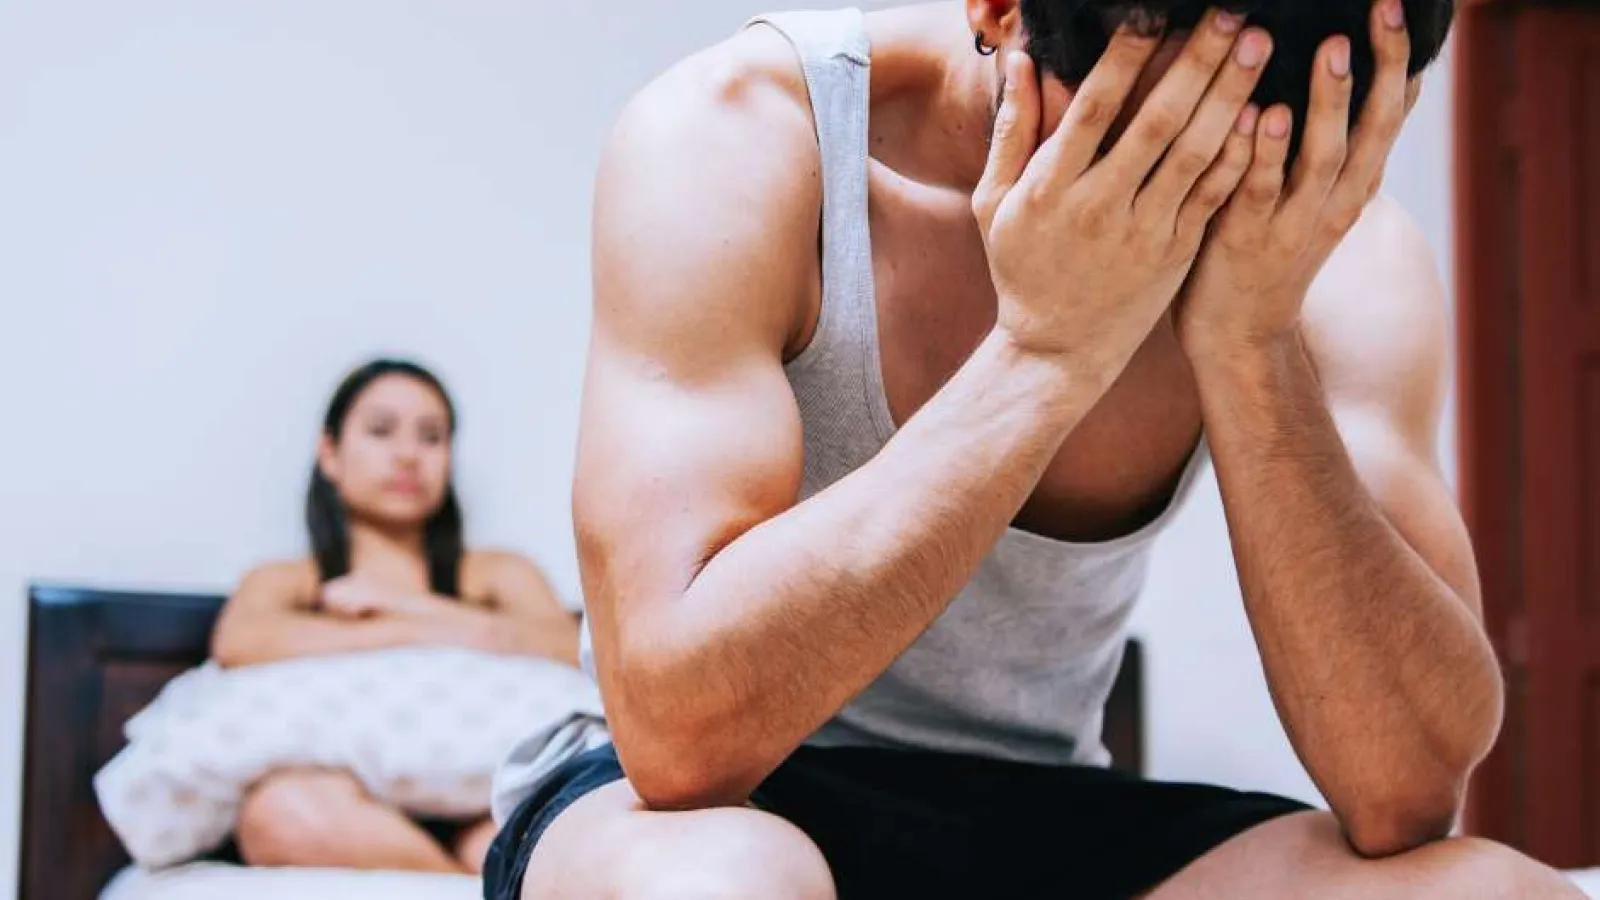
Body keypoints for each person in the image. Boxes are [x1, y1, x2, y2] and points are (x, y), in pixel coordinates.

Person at [485, 1, 1586, 898]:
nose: (1205, 186)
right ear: (1000, 14)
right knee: (723, 889)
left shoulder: (1322, 239)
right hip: (699, 804)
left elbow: (1404, 794)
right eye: (1159, 137)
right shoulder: (743, 135)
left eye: (1266, 143)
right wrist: (1043, 354)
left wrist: (1251, 349)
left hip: (1035, 803)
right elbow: (678, 733)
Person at [210, 358, 581, 875]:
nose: (408, 455)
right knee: (280, 815)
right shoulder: (289, 579)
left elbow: (568, 647)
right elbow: (240, 642)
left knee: (520, 837)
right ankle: (461, 884)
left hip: (483, 794)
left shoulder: (498, 572)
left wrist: (412, 607)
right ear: (330, 453)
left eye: (431, 437)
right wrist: (407, 629)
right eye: (381, 431)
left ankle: (471, 871)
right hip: (345, 799)